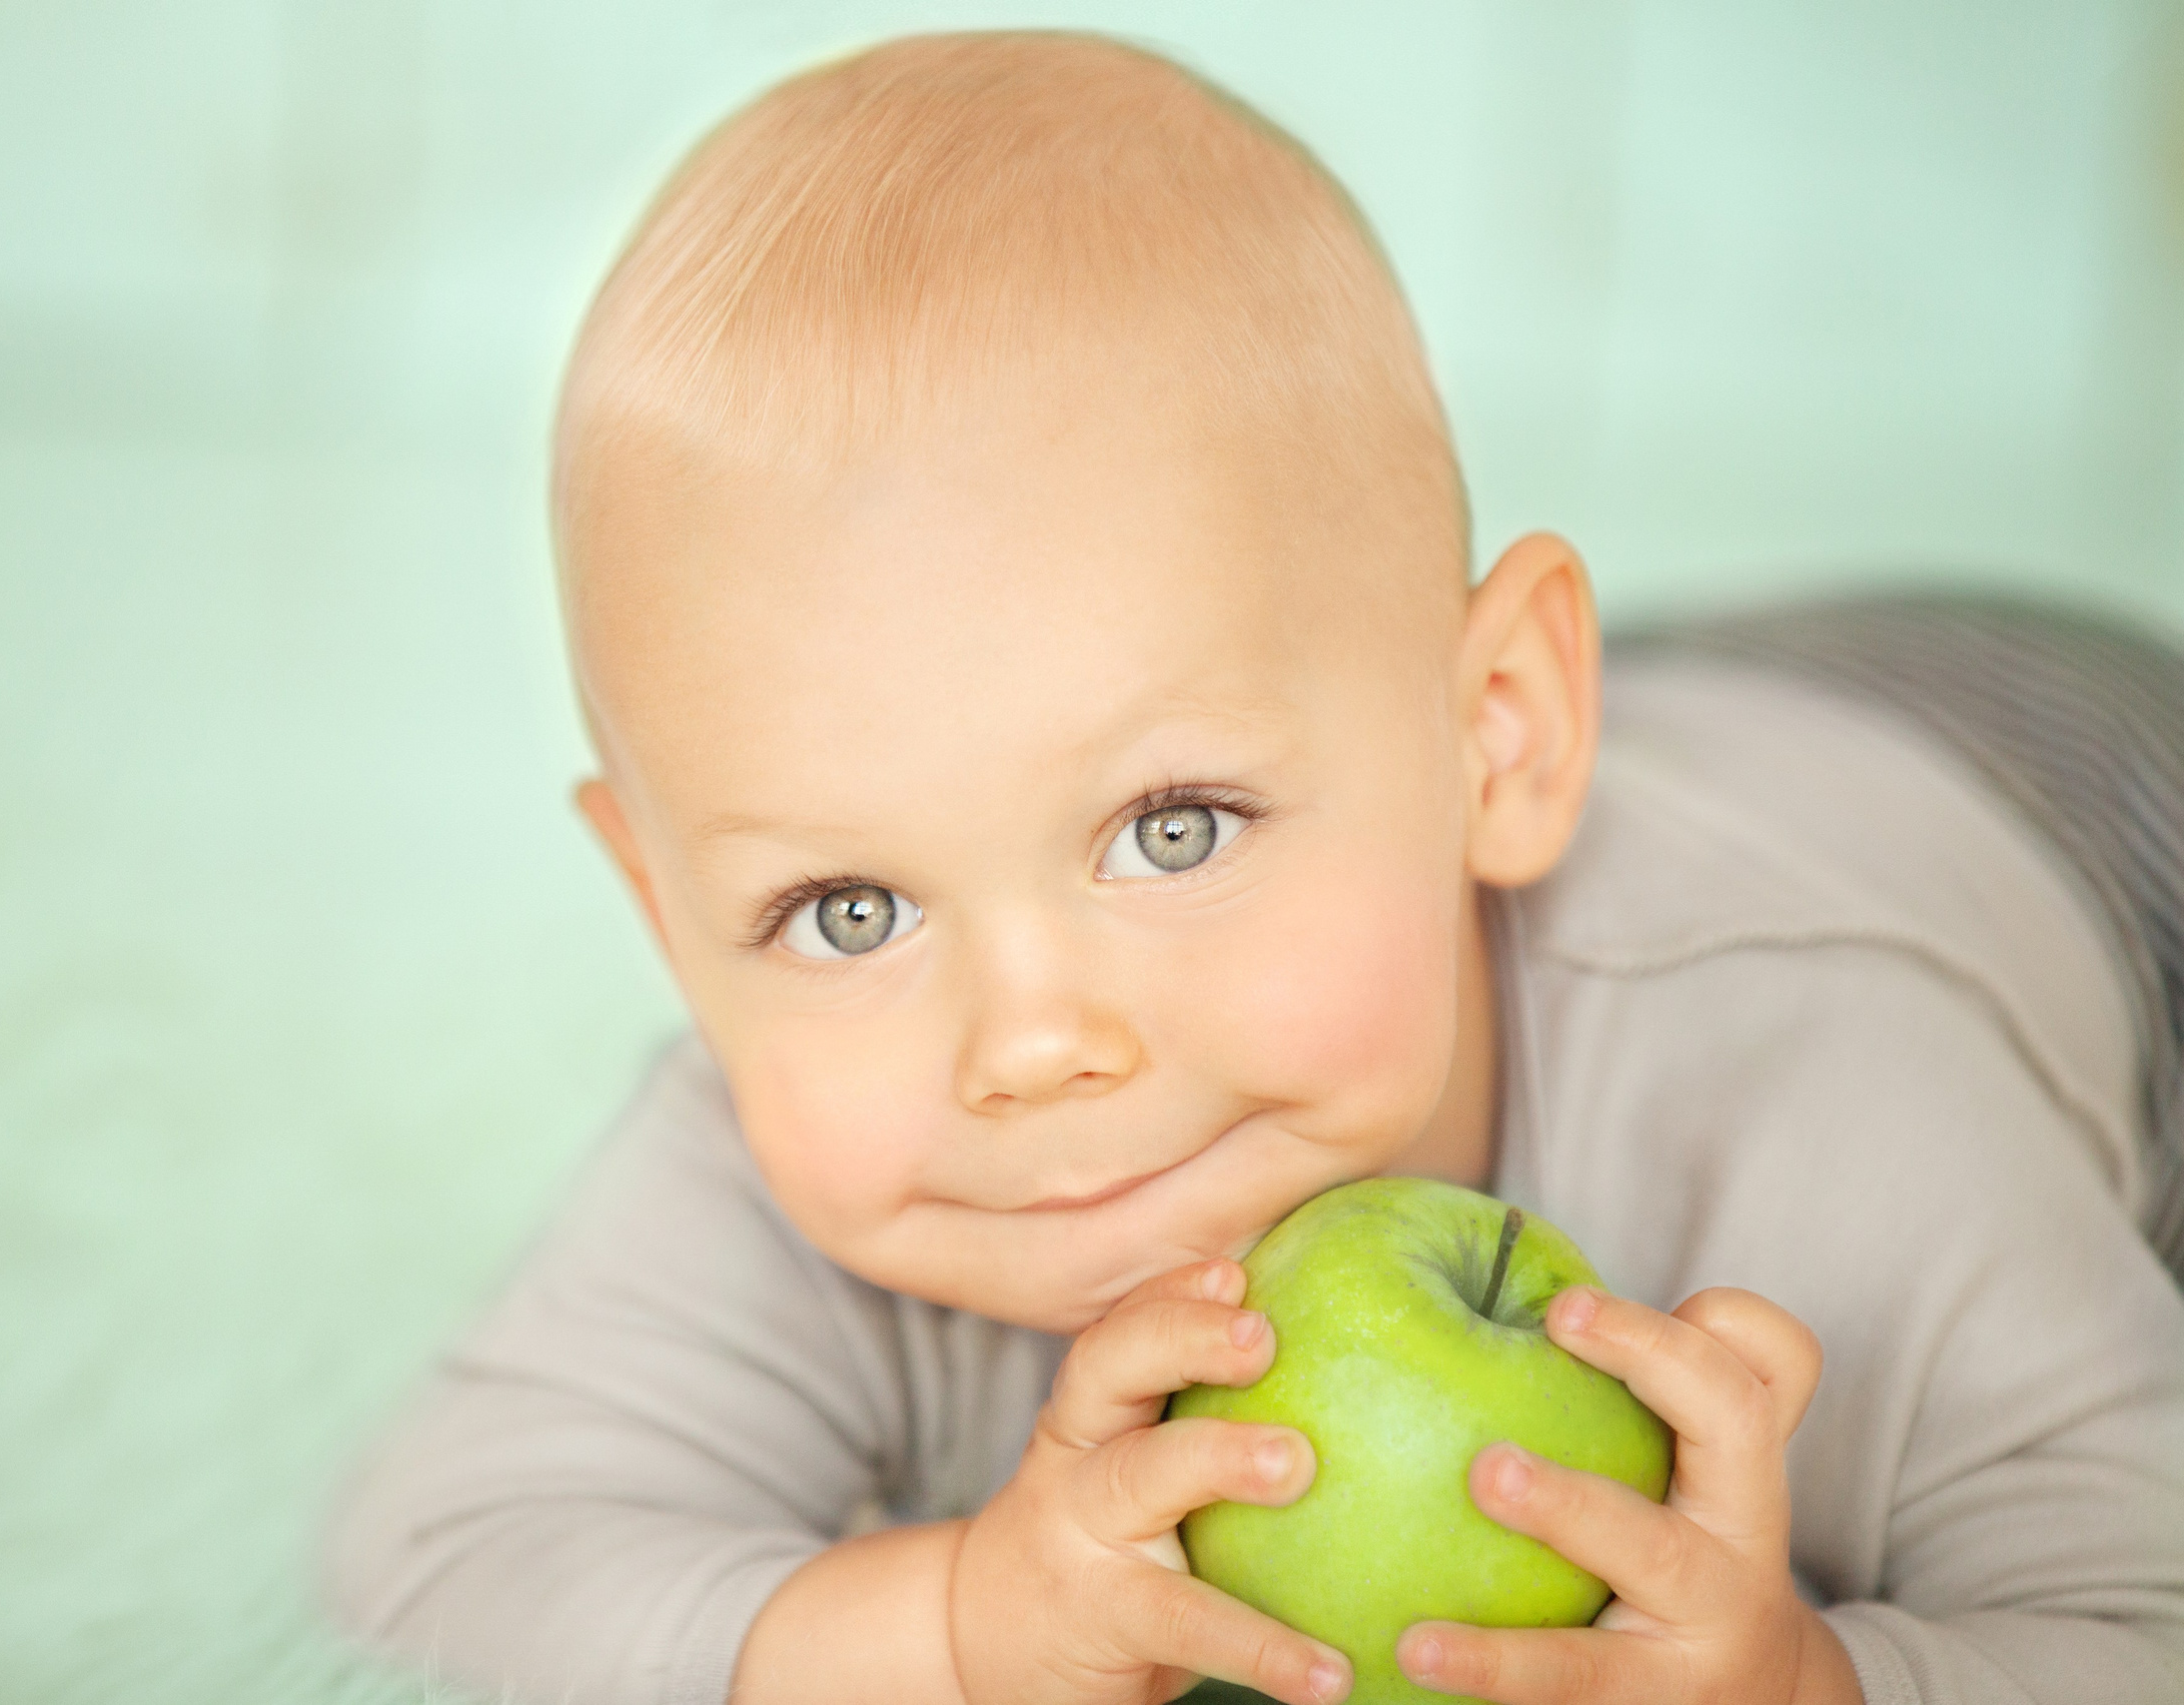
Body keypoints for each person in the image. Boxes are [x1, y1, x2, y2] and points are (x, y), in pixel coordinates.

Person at [320, 30, 2184, 1705]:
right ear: (665, 920)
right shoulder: (811, 1166)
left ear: (1501, 744)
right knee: (1320, 651)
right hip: (1556, 718)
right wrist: (953, 1632)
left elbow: (2144, 1618)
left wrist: (1802, 1690)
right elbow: (432, 1563)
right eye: (849, 911)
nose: (1032, 1041)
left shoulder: (1830, 1107)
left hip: (2076, 785)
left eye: (1171, 830)